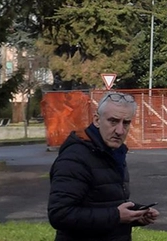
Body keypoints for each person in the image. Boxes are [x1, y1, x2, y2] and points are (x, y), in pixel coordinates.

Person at [48, 91, 159, 241]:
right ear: (97, 120)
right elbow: (60, 215)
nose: (120, 131)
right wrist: (116, 216)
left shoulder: (113, 152)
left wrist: (135, 214)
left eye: (126, 123)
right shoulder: (74, 159)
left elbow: (105, 201)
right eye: (113, 121)